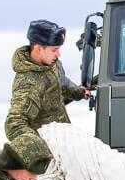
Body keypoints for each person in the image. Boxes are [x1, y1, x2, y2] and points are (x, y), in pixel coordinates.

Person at [5, 19, 90, 170]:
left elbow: (61, 82)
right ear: (38, 48)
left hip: (64, 147)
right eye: (54, 49)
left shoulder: (52, 64)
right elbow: (15, 124)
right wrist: (41, 152)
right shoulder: (28, 83)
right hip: (48, 160)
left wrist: (79, 92)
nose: (58, 54)